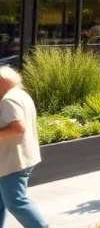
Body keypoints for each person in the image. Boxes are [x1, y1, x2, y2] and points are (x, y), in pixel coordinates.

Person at [0, 66, 46, 227]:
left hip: (12, 161)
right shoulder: (21, 94)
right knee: (2, 200)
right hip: (19, 157)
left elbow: (19, 127)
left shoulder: (8, 100)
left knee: (16, 202)